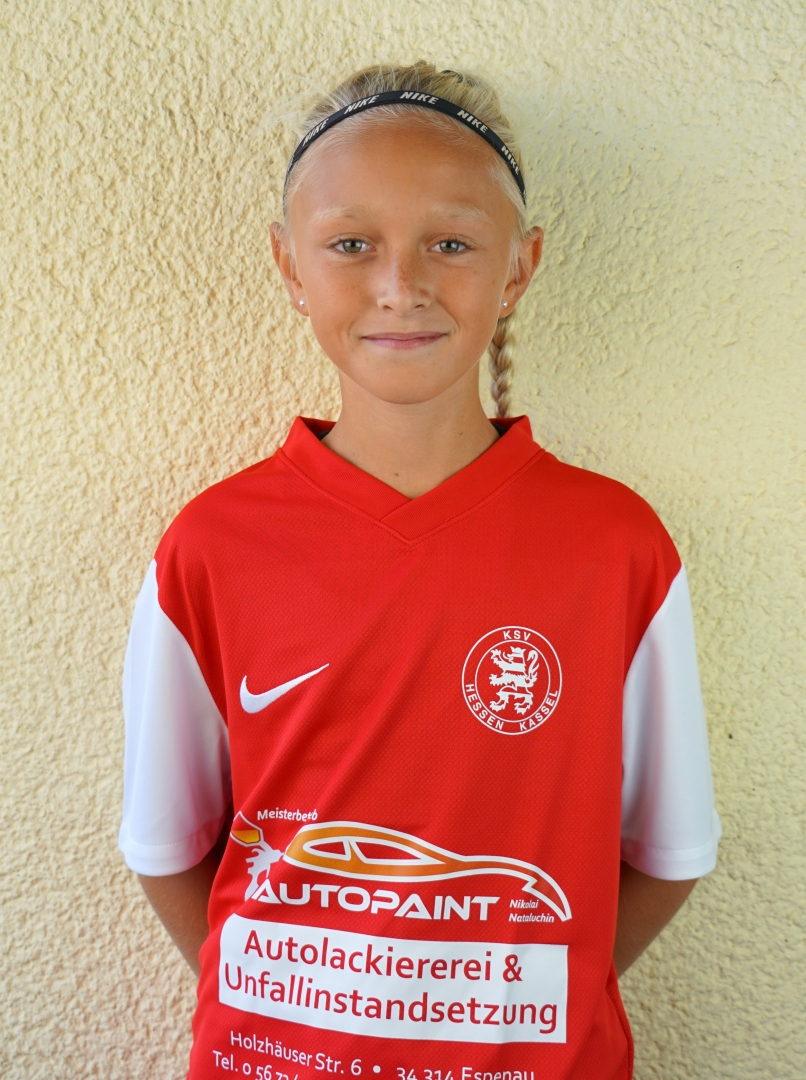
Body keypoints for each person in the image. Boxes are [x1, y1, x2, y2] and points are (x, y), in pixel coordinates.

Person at [119, 62, 721, 1080]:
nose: (400, 285)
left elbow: (668, 854)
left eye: (450, 242)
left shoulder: (615, 547)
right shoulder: (211, 547)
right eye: (351, 244)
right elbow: (167, 847)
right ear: (289, 266)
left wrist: (502, 1011)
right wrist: (305, 1018)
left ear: (519, 267)